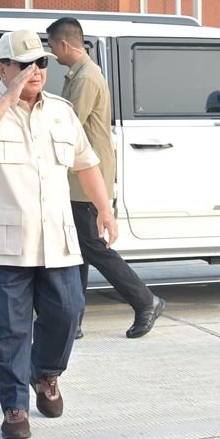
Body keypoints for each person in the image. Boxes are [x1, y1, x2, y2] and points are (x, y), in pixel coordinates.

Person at [0, 30, 118, 439]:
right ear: (2, 68)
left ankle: (45, 373)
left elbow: (86, 163)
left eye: (40, 63)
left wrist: (104, 208)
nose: (35, 71)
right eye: (24, 64)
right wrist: (9, 97)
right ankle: (14, 407)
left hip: (55, 238)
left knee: (68, 310)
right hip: (3, 242)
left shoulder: (60, 111)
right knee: (9, 328)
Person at [46, 17, 164, 340]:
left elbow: (67, 124)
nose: (53, 54)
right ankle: (75, 319)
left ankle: (145, 300)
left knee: (93, 248)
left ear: (64, 45)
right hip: (80, 175)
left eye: (53, 47)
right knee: (80, 249)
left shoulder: (86, 78)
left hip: (87, 177)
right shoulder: (80, 74)